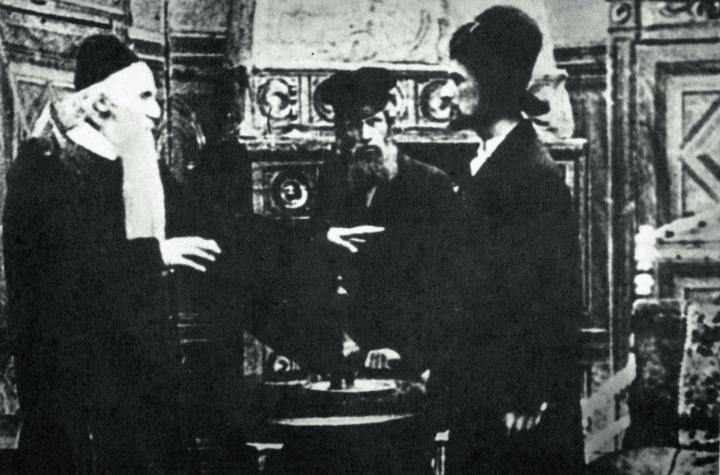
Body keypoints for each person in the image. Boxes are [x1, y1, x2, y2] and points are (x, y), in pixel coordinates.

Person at [3, 34, 220, 474]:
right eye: (144, 97)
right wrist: (153, 256)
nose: (157, 113)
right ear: (102, 104)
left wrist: (317, 237)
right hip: (79, 402)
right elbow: (60, 276)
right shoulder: (45, 167)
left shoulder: (137, 164)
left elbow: (212, 224)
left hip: (142, 394)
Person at [437, 6, 585, 474]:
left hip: (519, 410)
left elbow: (555, 295)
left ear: (495, 84)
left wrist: (529, 391)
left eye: (457, 79)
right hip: (484, 391)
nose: (446, 92)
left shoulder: (532, 175)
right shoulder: (486, 164)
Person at [315, 67, 459, 379]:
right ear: (341, 134)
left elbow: (446, 287)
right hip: (350, 354)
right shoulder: (332, 182)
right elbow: (320, 270)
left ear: (390, 126)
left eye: (374, 122)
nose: (365, 135)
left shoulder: (429, 184)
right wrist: (340, 338)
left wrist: (406, 350)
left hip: (411, 357)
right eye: (353, 125)